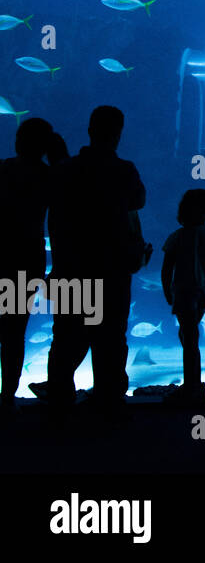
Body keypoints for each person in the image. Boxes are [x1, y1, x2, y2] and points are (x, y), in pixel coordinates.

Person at [46, 106, 149, 418]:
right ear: (118, 134)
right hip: (111, 269)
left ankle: (60, 399)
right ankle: (109, 398)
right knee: (111, 337)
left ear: (89, 130)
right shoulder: (124, 170)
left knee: (66, 336)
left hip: (70, 266)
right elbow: (138, 200)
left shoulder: (65, 169)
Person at [0, 118, 61, 415]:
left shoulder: (3, 169)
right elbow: (63, 222)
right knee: (14, 332)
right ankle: (7, 396)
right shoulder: (49, 176)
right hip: (27, 259)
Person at [160, 189, 205, 404]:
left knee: (189, 339)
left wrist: (166, 290)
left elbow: (166, 268)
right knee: (188, 335)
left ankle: (192, 386)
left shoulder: (176, 237)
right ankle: (193, 383)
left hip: (183, 290)